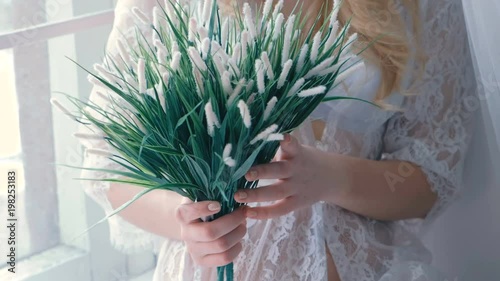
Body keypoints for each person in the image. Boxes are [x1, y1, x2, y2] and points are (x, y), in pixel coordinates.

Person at [76, 0, 477, 280]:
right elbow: (106, 162)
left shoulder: (420, 6)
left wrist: (331, 177)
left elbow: (432, 176)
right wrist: (187, 219)